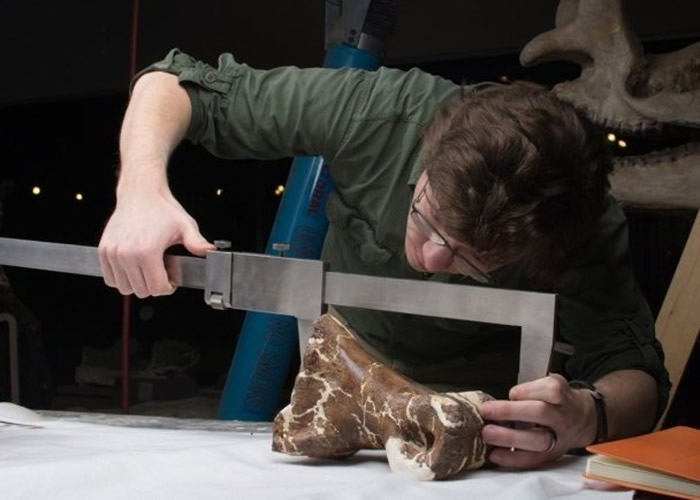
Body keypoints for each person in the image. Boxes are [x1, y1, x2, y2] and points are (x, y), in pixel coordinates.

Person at [98, 49, 670, 470]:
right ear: (428, 153)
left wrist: (587, 414)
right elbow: (173, 83)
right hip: (338, 375)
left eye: (471, 260)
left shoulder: (585, 226)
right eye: (427, 217)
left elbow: (638, 378)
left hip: (471, 408)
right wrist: (141, 191)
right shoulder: (379, 113)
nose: (428, 260)